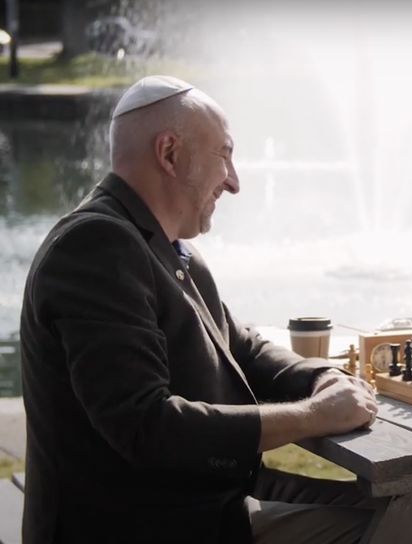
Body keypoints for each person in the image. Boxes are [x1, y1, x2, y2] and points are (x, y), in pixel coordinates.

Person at [19, 76, 381, 544]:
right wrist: (314, 416)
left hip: (206, 502)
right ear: (169, 154)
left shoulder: (161, 245)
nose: (233, 181)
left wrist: (321, 378)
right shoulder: (97, 247)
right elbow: (147, 425)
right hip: (150, 525)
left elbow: (241, 347)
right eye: (223, 155)